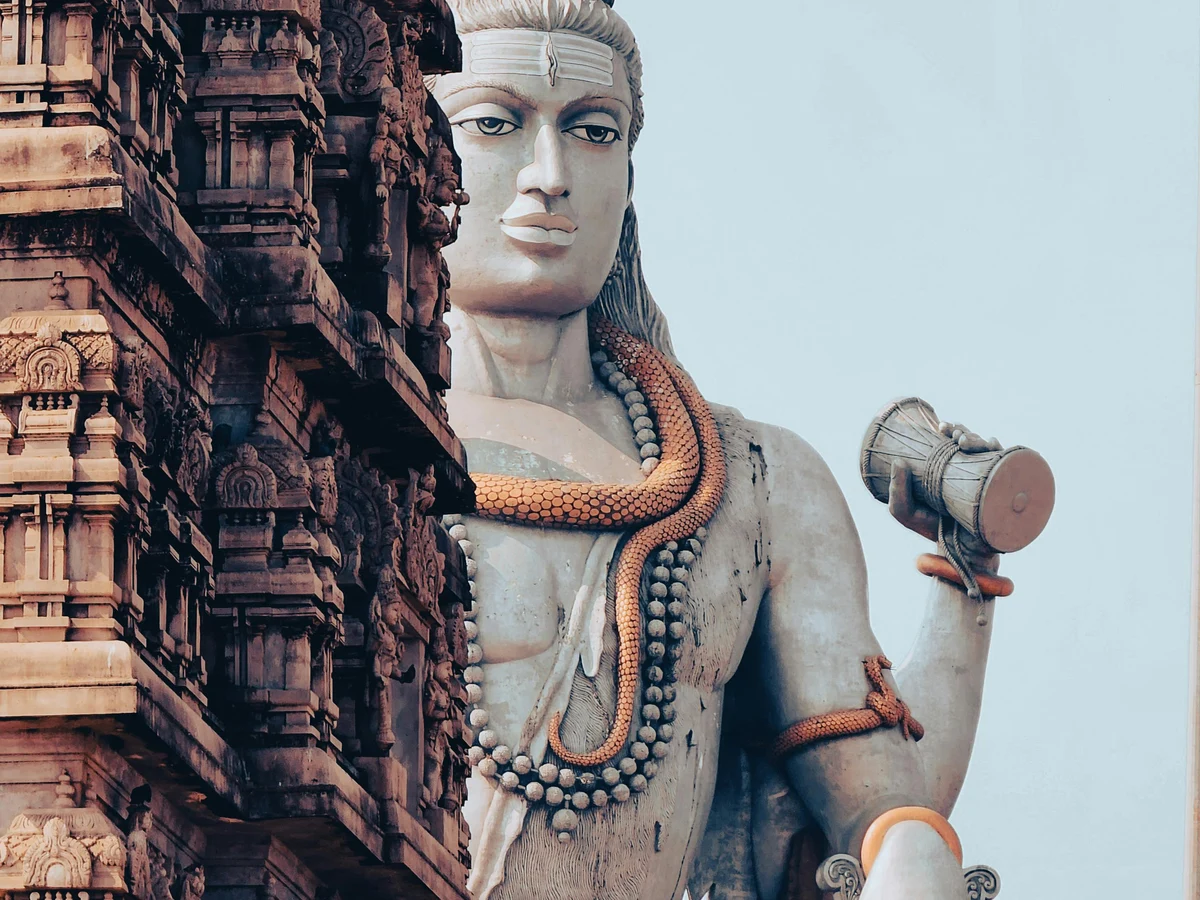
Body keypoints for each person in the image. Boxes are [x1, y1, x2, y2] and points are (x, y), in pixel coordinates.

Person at [430, 2, 1001, 897]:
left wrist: (965, 584)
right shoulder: (350, 449)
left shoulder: (752, 484)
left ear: (629, 167)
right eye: (494, 124)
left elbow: (873, 805)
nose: (548, 175)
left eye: (592, 130)